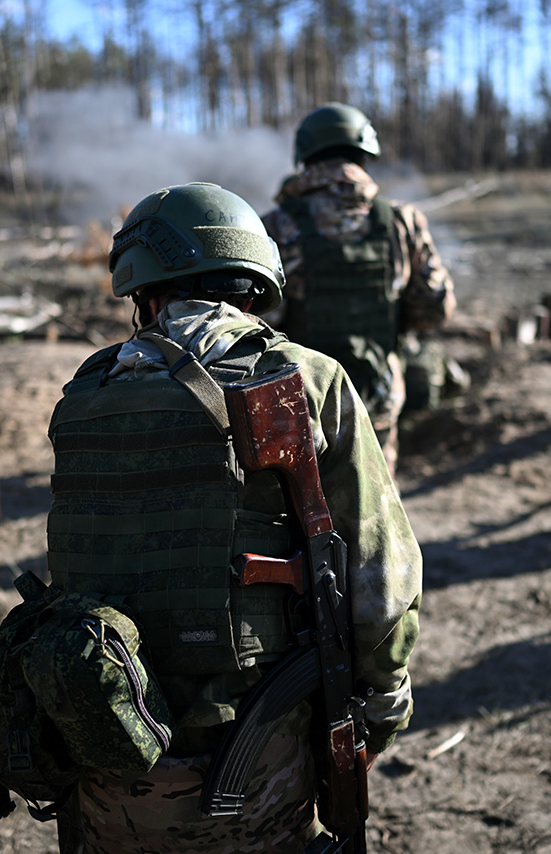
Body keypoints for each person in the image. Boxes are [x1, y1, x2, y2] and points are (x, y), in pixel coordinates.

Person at [45, 183, 422, 853]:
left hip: (104, 758)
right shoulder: (309, 379)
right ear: (253, 284)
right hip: (257, 773)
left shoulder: (86, 390)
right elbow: (380, 578)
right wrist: (380, 707)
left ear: (145, 293)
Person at [262, 102, 456, 477]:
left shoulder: (277, 225)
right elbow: (436, 308)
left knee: (302, 517)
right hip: (378, 394)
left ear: (305, 155)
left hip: (301, 404)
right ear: (366, 153)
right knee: (378, 515)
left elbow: (261, 322)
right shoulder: (402, 221)